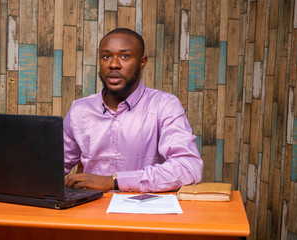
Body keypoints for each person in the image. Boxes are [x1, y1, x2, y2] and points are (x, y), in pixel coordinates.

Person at [64, 28, 203, 192]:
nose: (113, 64)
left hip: (142, 212)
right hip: (89, 210)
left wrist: (114, 182)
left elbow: (188, 167)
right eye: (106, 56)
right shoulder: (80, 110)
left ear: (142, 62)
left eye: (125, 56)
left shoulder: (164, 106)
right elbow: (51, 166)